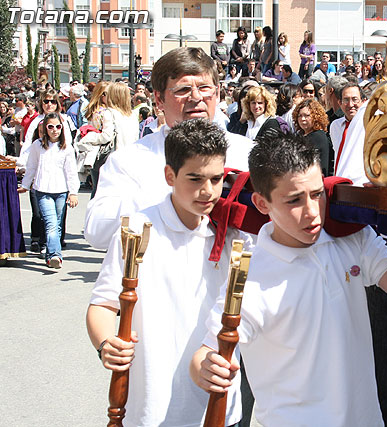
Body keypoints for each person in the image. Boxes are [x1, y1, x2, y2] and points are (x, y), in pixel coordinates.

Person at [190, 132, 387, 426]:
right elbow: (207, 352)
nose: (312, 212)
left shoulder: (352, 238)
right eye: (294, 200)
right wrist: (204, 367)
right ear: (262, 204)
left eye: (317, 194)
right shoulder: (251, 278)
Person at [86, 118, 251, 427]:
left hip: (219, 407)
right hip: (151, 406)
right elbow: (103, 304)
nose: (207, 191)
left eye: (217, 179)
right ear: (169, 175)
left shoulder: (234, 232)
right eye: (195, 178)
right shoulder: (137, 228)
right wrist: (107, 343)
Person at [84, 47, 255, 250]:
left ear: (217, 93)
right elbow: (96, 233)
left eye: (204, 88)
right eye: (182, 90)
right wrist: (172, 192)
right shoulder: (129, 161)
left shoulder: (248, 154)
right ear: (159, 99)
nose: (195, 97)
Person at [18, 112, 79, 269]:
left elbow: (71, 172)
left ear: (62, 128)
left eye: (57, 127)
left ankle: (52, 254)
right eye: (50, 127)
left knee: (57, 224)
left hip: (61, 191)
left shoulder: (67, 148)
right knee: (51, 223)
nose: (54, 130)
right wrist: (25, 185)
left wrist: (73, 192)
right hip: (42, 190)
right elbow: (31, 167)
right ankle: (55, 256)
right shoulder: (37, 145)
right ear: (45, 128)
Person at [329, 82, 368, 185]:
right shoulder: (335, 126)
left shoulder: (368, 125)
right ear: (340, 103)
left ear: (363, 101)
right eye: (346, 100)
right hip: (338, 185)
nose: (350, 105)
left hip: (359, 185)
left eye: (355, 99)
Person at [292, 98, 333, 176]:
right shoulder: (300, 135)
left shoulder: (318, 137)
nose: (302, 119)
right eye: (300, 116)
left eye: (307, 115)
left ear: (316, 117)